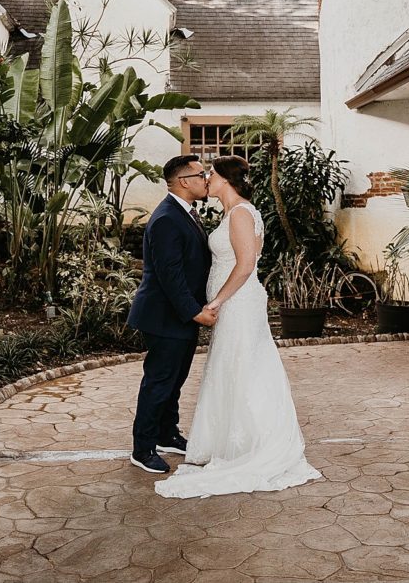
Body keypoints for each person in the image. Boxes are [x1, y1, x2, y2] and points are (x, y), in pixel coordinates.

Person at [154, 155, 321, 498]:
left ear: (226, 180)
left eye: (211, 174)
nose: (206, 179)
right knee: (231, 368)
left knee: (244, 369)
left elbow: (245, 266)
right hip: (233, 306)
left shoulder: (242, 213)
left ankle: (250, 445)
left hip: (239, 304)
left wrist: (215, 301)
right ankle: (229, 441)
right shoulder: (233, 212)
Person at [127, 155, 217, 474]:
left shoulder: (186, 213)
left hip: (178, 316)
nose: (206, 179)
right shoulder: (166, 218)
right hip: (164, 317)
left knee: (174, 382)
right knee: (159, 382)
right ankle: (143, 448)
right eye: (200, 174)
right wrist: (195, 313)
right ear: (183, 181)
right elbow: (170, 274)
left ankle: (167, 433)